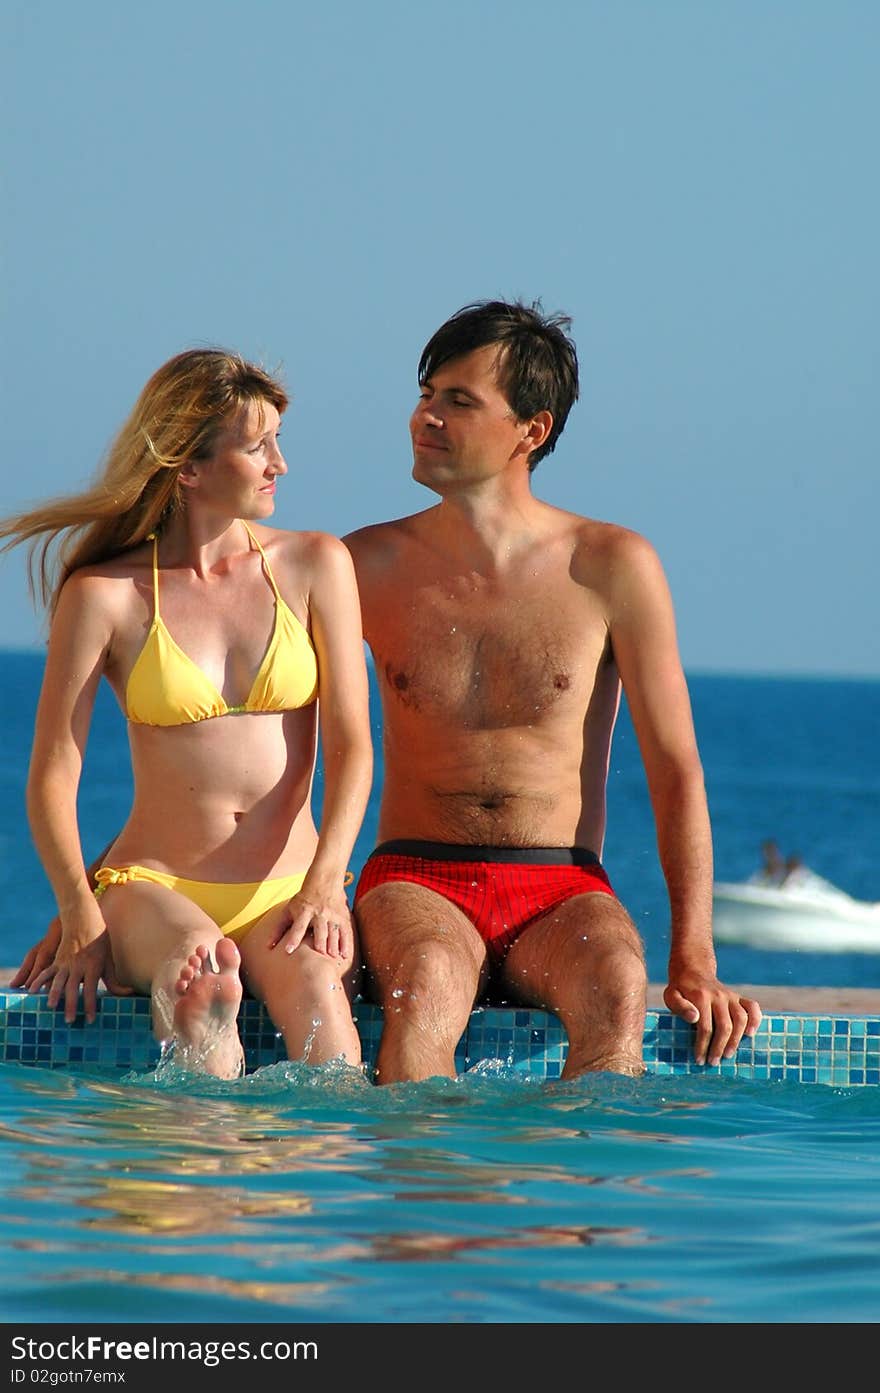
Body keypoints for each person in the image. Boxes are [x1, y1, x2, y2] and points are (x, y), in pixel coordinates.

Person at [344, 298, 762, 1082]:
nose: (424, 417)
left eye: (458, 401)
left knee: (614, 982)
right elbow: (275, 734)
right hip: (415, 878)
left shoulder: (610, 564)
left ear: (530, 431)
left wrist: (693, 956)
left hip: (559, 885)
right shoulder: (363, 565)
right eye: (427, 393)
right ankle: (428, 1203)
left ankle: (574, 1202)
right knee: (428, 978)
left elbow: (675, 768)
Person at [2, 348, 373, 1078]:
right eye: (258, 445)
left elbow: (355, 749)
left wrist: (329, 879)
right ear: (190, 468)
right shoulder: (104, 596)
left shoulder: (316, 564)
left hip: (293, 889)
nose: (281, 464)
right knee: (196, 975)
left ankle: (294, 1189)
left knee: (323, 1016)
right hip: (156, 886)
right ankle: (187, 1177)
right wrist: (80, 911)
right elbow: (53, 771)